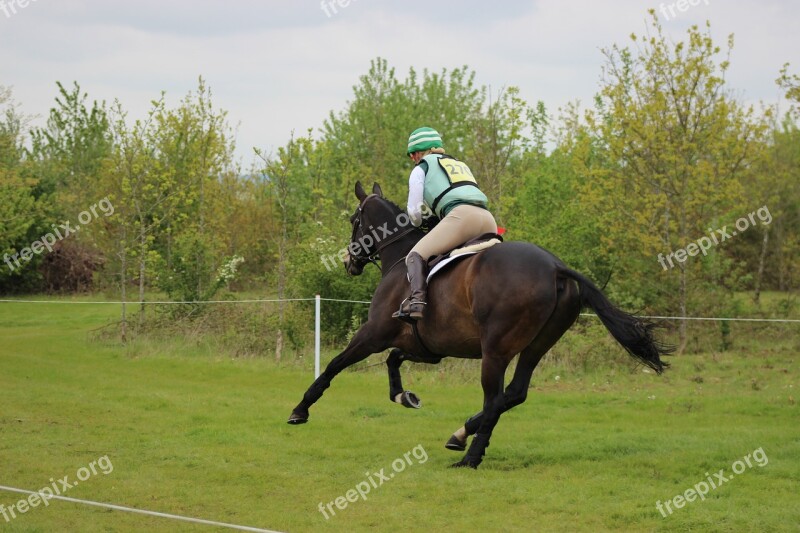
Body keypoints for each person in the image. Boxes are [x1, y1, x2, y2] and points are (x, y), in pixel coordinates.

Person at [393, 127, 498, 321]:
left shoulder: (421, 168)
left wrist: (423, 221)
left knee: (414, 256)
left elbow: (415, 213)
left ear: (419, 152)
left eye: (412, 154)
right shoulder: (459, 164)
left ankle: (417, 301)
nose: (413, 159)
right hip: (488, 219)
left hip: (462, 218)